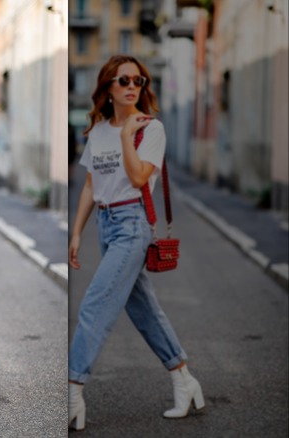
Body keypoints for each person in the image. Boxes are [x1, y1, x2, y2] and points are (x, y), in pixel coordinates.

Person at [67, 55, 204, 431]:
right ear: (108, 87)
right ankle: (183, 379)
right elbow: (92, 186)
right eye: (124, 80)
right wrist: (77, 232)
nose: (132, 86)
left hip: (133, 225)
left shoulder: (150, 129)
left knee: (95, 304)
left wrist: (128, 135)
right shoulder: (96, 131)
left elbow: (139, 177)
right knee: (144, 310)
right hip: (107, 225)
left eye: (139, 81)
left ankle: (72, 390)